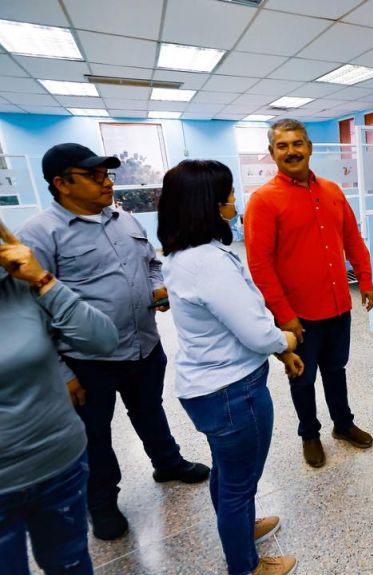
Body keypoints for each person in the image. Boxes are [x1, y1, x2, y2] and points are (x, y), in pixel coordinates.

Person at [17, 143, 209, 541]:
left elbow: (152, 263)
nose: (106, 183)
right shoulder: (39, 235)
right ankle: (102, 502)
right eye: (94, 176)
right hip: (86, 359)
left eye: (107, 174)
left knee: (150, 410)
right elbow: (30, 312)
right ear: (62, 183)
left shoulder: (124, 219)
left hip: (143, 345)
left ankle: (168, 463)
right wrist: (62, 372)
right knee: (94, 433)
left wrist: (157, 288)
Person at [158, 160, 303, 575]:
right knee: (239, 484)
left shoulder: (185, 255)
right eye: (228, 193)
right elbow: (256, 332)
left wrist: (275, 345)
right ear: (208, 203)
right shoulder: (208, 262)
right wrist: (286, 341)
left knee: (227, 472)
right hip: (232, 393)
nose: (234, 201)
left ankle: (241, 529)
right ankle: (246, 566)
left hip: (209, 388)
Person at [244, 118, 373, 469]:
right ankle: (310, 434)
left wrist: (365, 279)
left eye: (297, 143)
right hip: (299, 315)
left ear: (309, 147)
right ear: (272, 152)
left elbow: (352, 239)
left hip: (338, 306)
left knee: (336, 370)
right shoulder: (263, 200)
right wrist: (284, 315)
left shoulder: (332, 191)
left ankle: (343, 424)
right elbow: (259, 265)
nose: (292, 151)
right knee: (301, 377)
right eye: (282, 146)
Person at [0, 218, 119, 574]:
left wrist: (42, 279)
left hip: (59, 463)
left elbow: (103, 341)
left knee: (71, 563)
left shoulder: (18, 281)